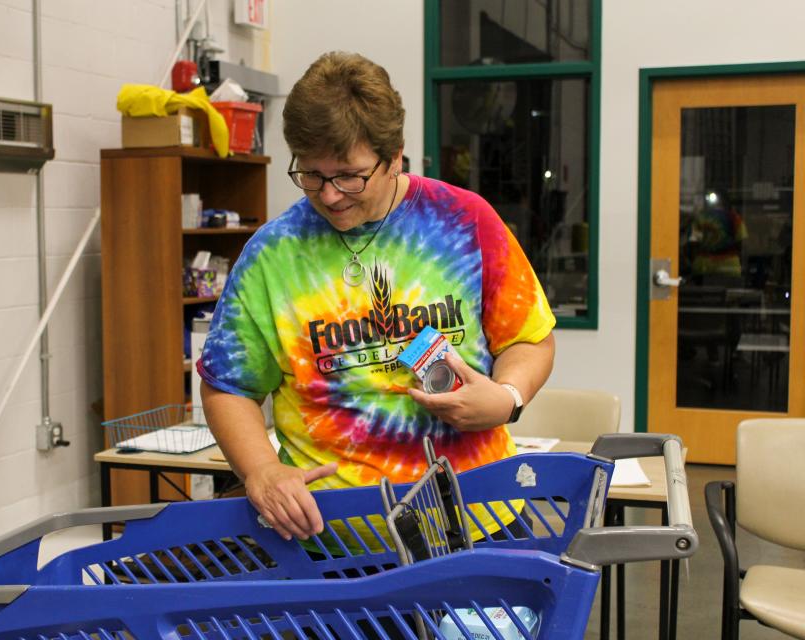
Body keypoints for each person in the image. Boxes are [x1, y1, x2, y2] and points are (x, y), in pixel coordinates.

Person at [198, 51, 555, 542]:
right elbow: (228, 386)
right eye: (311, 174)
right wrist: (261, 470)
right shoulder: (272, 254)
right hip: (331, 545)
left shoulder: (464, 221)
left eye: (349, 175)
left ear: (394, 157)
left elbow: (530, 338)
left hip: (479, 523)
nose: (328, 195)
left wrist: (507, 398)